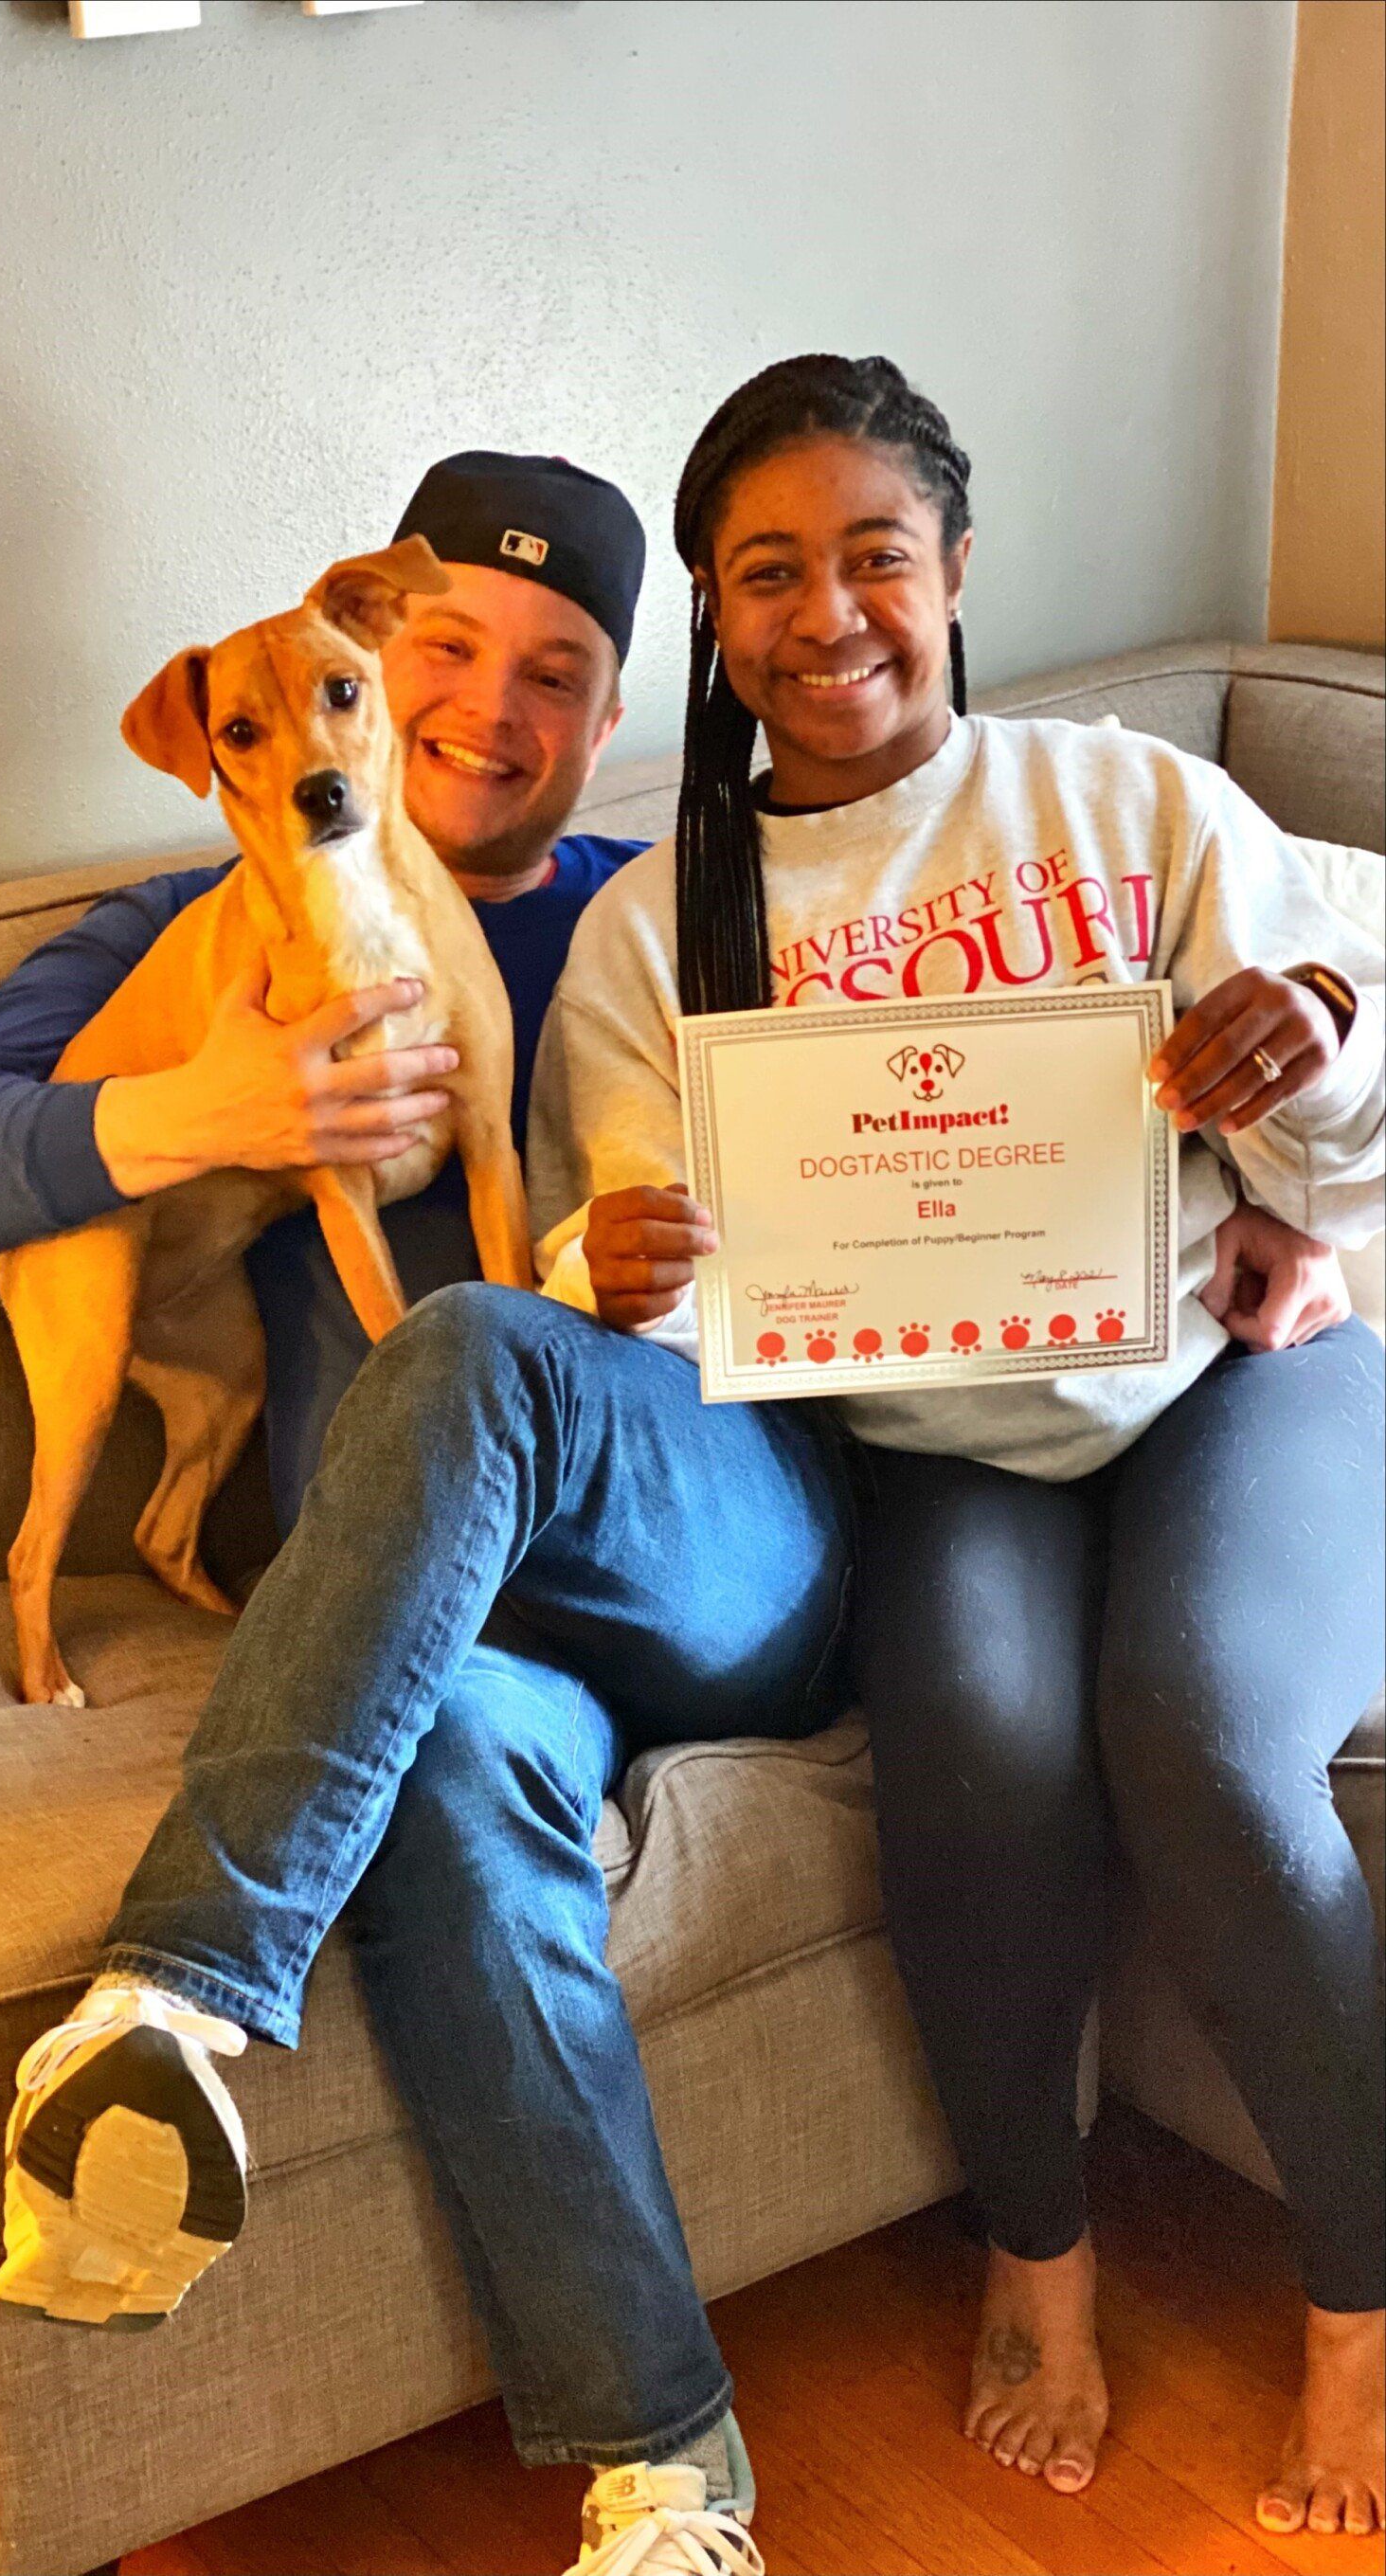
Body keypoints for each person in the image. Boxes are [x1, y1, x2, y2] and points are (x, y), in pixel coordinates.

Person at [0, 441, 1350, 2576]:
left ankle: (176, 1984)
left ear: (624, 698)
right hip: (433, 1616)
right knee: (442, 1747)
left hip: (739, 1534)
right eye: (440, 644)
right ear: (356, 646)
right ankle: (666, 2472)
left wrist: (1285, 1216)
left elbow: (1033, 1121)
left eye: (557, 670)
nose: (480, 706)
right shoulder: (199, 929)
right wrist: (201, 1108)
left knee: (463, 1339)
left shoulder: (697, 910)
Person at [529, 352, 1385, 2542]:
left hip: (1232, 1370)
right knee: (981, 1763)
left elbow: (1348, 1119)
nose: (831, 617)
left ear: (959, 568)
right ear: (717, 623)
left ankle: (1362, 2306)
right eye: (769, 573)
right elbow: (640, 1269)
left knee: (1198, 1735)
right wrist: (612, 1262)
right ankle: (1040, 2264)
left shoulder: (1133, 809)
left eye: (876, 557)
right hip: (940, 1448)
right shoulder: (657, 925)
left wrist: (1316, 1067)